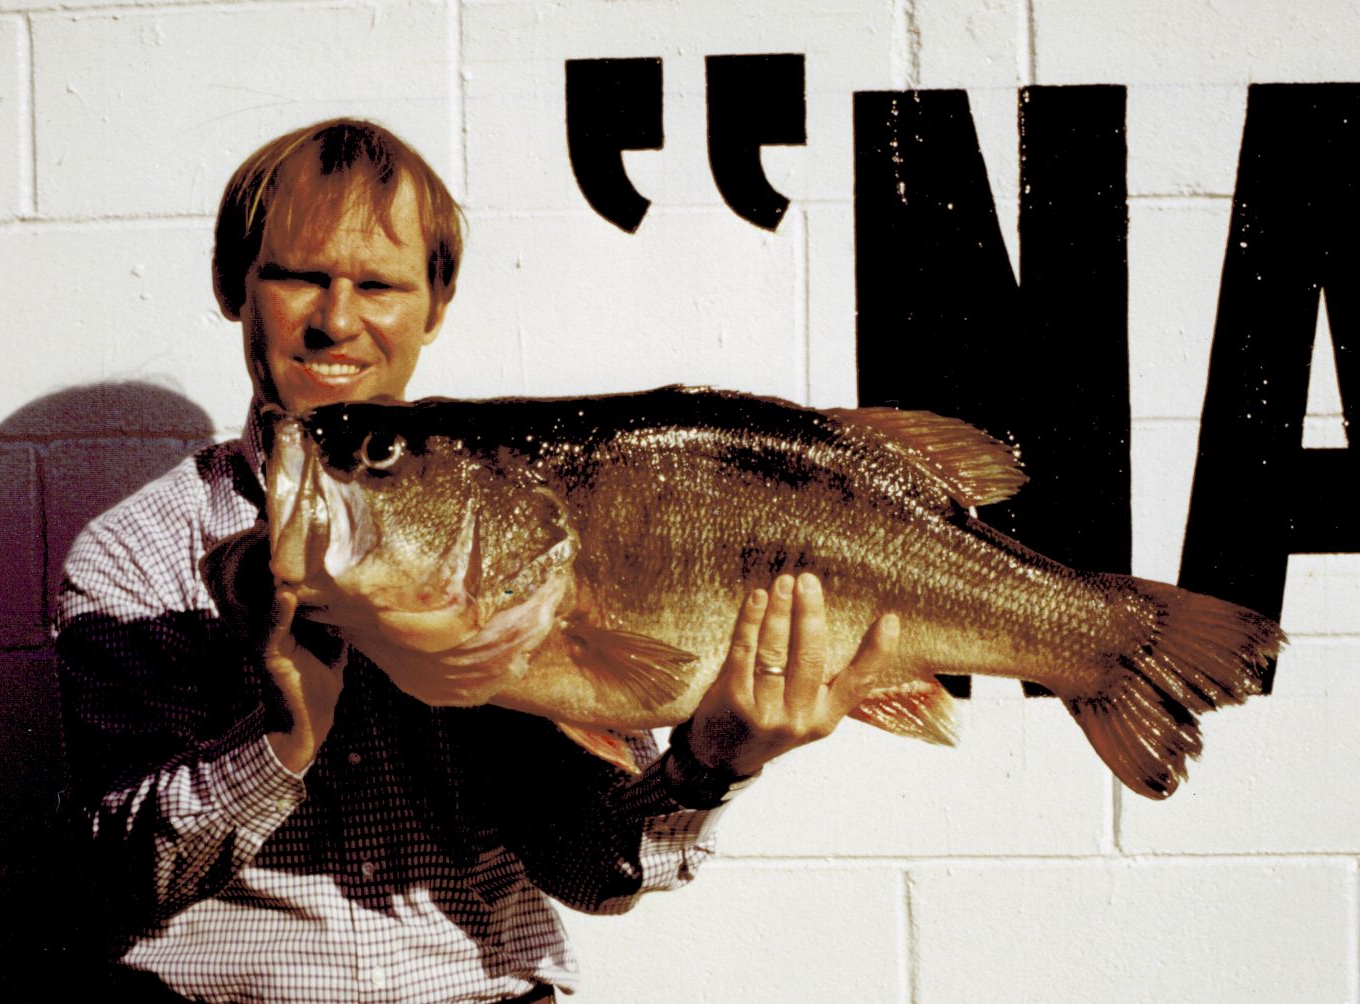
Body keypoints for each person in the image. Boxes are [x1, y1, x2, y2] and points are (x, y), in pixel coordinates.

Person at [53, 117, 900, 1003]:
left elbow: (593, 872)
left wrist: (710, 760)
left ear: (435, 305)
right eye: (300, 276)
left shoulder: (521, 528)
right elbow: (110, 876)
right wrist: (279, 738)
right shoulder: (134, 556)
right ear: (236, 286)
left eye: (377, 283)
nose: (335, 320)